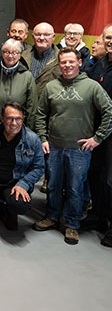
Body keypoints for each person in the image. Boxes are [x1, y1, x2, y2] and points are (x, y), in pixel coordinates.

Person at [33, 47, 112, 245]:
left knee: (75, 188)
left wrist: (98, 138)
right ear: (59, 65)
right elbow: (40, 114)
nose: (67, 65)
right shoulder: (51, 86)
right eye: (63, 62)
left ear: (79, 63)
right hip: (54, 146)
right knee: (53, 184)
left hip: (80, 149)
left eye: (71, 62)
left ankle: (72, 224)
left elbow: (109, 112)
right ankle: (52, 217)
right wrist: (43, 138)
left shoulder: (92, 87)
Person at [0, 102, 44, 230]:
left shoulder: (32, 139)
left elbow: (39, 167)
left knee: (21, 204)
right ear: (2, 118)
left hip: (14, 183)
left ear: (23, 119)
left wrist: (24, 184)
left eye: (18, 119)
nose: (14, 123)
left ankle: (10, 212)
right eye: (9, 118)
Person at [86, 25, 112, 246]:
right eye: (108, 38)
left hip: (111, 134)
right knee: (95, 175)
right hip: (96, 133)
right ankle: (98, 217)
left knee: (111, 181)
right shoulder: (101, 64)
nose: (110, 41)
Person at [0, 39, 37, 129]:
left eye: (15, 52)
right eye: (7, 52)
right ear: (2, 53)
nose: (10, 56)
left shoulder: (27, 76)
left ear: (20, 55)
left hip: (17, 130)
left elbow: (31, 108)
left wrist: (27, 131)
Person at [21, 22, 60, 96]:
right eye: (38, 34)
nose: (42, 38)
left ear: (53, 37)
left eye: (46, 35)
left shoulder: (61, 59)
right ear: (33, 36)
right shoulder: (22, 57)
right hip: (25, 103)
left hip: (49, 104)